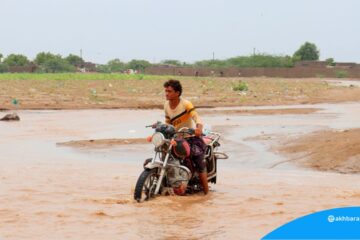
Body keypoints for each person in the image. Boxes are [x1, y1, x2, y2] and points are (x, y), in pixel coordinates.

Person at [163, 79, 209, 195]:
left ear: (177, 93)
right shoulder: (166, 105)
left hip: (190, 137)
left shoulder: (186, 104)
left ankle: (206, 192)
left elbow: (196, 117)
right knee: (164, 154)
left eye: (169, 91)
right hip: (176, 138)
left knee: (198, 160)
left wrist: (198, 128)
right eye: (166, 91)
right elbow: (168, 122)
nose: (166, 93)